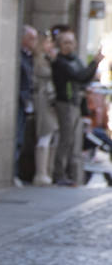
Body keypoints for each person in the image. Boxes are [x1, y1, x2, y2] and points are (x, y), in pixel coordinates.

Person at [51, 30, 103, 186]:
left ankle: (71, 174)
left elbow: (84, 77)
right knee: (66, 139)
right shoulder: (60, 62)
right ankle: (59, 174)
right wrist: (94, 62)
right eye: (65, 42)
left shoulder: (74, 60)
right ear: (60, 45)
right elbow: (78, 76)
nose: (69, 46)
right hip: (65, 103)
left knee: (74, 140)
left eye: (71, 42)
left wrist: (94, 65)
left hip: (75, 103)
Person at [32, 31, 59, 185]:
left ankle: (48, 171)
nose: (51, 45)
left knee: (51, 135)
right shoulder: (38, 60)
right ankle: (41, 173)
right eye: (48, 42)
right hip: (43, 100)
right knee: (45, 133)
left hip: (50, 100)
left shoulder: (47, 59)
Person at [17, 25, 37, 186]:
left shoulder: (30, 57)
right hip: (20, 102)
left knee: (21, 138)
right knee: (18, 137)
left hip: (26, 103)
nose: (34, 42)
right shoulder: (20, 57)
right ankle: (15, 172)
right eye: (31, 38)